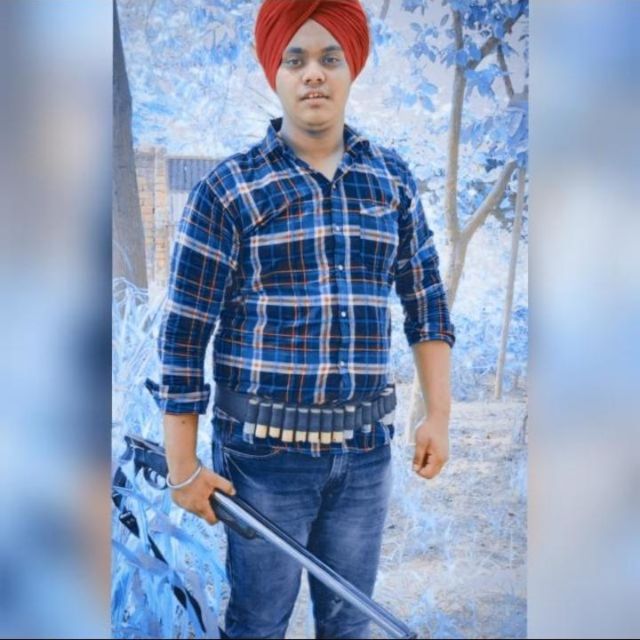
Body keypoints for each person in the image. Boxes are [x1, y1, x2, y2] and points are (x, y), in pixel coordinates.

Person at [145, 0, 455, 637]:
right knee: (258, 624)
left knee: (349, 625)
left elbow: (425, 302)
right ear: (276, 74)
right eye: (296, 60)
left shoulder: (390, 180)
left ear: (350, 68)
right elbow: (184, 333)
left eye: (329, 58)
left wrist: (439, 415)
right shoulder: (228, 190)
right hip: (262, 460)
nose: (314, 73)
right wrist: (183, 466)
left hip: (365, 455)